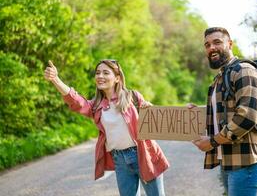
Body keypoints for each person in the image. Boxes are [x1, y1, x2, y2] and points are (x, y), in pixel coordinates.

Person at [44, 59, 169, 196]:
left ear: (117, 78)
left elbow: (152, 123)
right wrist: (56, 79)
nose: (100, 76)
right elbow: (76, 101)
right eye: (97, 73)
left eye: (105, 73)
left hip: (143, 155)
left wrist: (149, 108)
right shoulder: (96, 105)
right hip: (120, 160)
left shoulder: (132, 97)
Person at [191, 27, 257, 196]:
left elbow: (246, 117)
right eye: (207, 45)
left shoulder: (244, 71)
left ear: (230, 44)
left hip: (247, 161)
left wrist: (212, 142)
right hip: (227, 159)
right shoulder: (220, 77)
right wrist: (197, 113)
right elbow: (225, 110)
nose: (211, 47)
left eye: (217, 42)